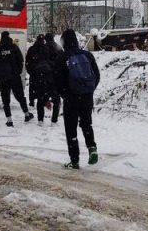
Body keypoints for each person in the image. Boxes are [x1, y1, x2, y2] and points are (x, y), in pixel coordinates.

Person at [53, 29, 99, 169]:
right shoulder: (87, 55)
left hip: (71, 99)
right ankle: (92, 148)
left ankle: (74, 160)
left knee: (71, 129)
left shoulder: (61, 57)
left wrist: (64, 94)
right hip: (87, 97)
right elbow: (96, 75)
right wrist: (89, 90)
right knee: (86, 124)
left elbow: (57, 80)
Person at [0, 31, 33, 127]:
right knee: (20, 96)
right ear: (9, 37)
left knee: (5, 100)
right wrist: (17, 72)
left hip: (2, 78)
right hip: (14, 77)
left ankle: (9, 120)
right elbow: (21, 60)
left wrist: (0, 72)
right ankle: (27, 114)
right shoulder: (14, 47)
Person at [25, 35, 46, 108]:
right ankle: (42, 100)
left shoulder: (32, 49)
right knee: (43, 87)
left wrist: (30, 71)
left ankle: (32, 101)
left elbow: (27, 61)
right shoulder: (45, 48)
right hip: (43, 72)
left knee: (32, 87)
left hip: (34, 71)